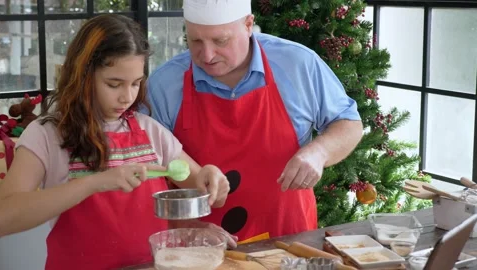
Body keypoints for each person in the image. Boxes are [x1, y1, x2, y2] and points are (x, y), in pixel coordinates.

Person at [0, 14, 236, 270]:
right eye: (114, 84)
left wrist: (211, 179)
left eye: (136, 84)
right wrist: (95, 182)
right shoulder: (46, 134)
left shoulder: (150, 131)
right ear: (83, 76)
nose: (127, 97)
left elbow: (202, 190)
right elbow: (3, 218)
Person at [145, 0, 364, 244]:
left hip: (290, 241)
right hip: (202, 247)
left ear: (248, 25)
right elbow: (147, 171)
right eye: (195, 41)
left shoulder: (298, 64)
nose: (206, 55)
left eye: (220, 41)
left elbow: (349, 123)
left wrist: (319, 152)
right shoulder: (164, 84)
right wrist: (188, 226)